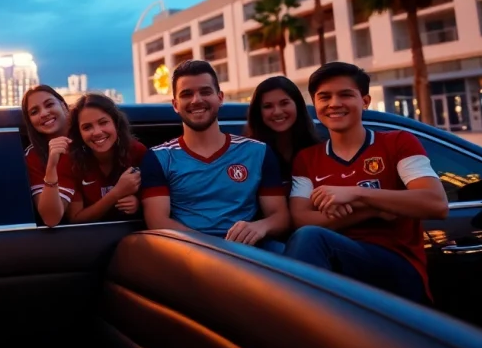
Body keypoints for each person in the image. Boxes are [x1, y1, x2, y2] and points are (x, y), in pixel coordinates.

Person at [284, 62, 448, 305]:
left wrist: (353, 193)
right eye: (324, 97)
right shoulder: (307, 159)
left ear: (366, 101)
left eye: (345, 95)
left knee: (313, 238)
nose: (334, 103)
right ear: (316, 105)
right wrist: (374, 208)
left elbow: (436, 203)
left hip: (397, 268)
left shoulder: (398, 142)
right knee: (307, 237)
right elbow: (301, 219)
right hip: (335, 268)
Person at [139, 60, 290, 250]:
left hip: (249, 253)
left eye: (205, 92)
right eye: (187, 94)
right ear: (175, 104)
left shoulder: (258, 152)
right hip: (189, 253)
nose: (196, 100)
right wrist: (214, 249)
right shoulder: (158, 158)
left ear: (220, 97)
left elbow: (281, 217)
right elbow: (158, 221)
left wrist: (261, 226)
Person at [63, 93, 147, 224]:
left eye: (103, 122)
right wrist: (116, 193)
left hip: (133, 237)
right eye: (87, 127)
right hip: (90, 240)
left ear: (116, 123)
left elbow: (157, 203)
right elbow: (75, 219)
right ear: (79, 133)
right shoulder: (71, 161)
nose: (97, 132)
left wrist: (139, 204)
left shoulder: (137, 152)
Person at [244, 75, 320, 190]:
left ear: (297, 105)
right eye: (268, 106)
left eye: (284, 103)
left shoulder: (319, 150)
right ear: (258, 112)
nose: (277, 112)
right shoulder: (248, 154)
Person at [21, 85, 75, 227]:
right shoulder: (33, 156)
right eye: (34, 112)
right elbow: (51, 219)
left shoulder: (92, 138)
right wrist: (51, 166)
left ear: (63, 106)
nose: (44, 113)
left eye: (49, 104)